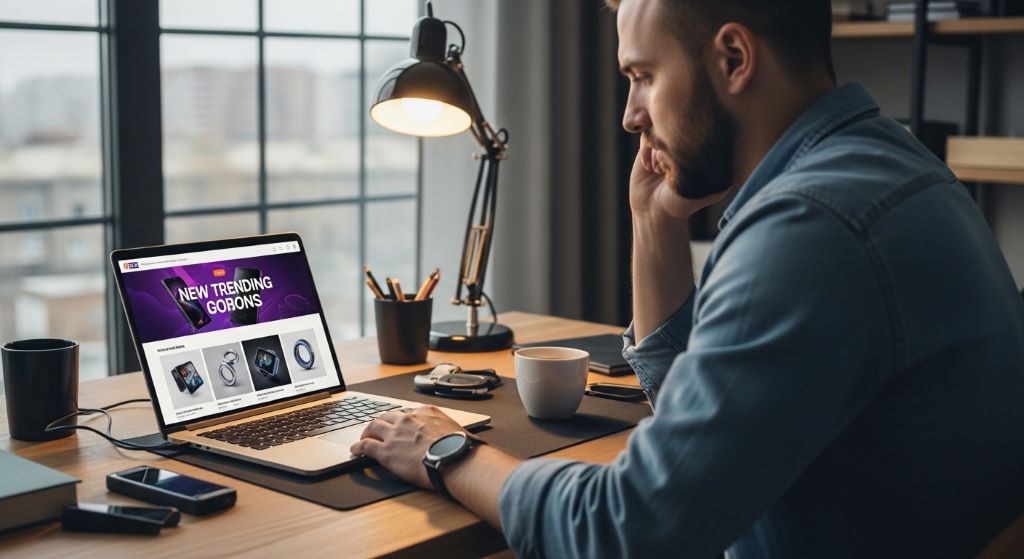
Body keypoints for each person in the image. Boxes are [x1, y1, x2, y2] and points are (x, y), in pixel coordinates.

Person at [351, 0, 1024, 556]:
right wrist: (654, 225)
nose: (629, 114)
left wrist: (448, 451)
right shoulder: (885, 165)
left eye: (643, 76)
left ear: (733, 58)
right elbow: (704, 431)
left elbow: (629, 529)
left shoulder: (811, 224)